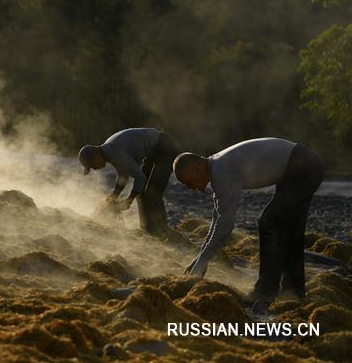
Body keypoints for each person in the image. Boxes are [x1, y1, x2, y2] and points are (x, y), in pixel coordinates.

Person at [174, 138, 324, 310]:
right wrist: (200, 259)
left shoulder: (222, 171)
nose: (190, 187)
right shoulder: (217, 166)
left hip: (303, 167)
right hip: (301, 165)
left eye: (187, 182)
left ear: (196, 169)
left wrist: (202, 262)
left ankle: (265, 292)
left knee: (269, 223)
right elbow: (218, 219)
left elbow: (224, 228)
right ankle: (294, 293)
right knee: (290, 230)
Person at [78, 128, 180, 235]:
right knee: (141, 193)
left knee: (152, 193)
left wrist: (129, 200)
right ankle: (148, 229)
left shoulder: (114, 152)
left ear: (96, 156)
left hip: (165, 148)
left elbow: (140, 177)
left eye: (92, 165)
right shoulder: (109, 150)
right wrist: (114, 196)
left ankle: (162, 231)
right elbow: (123, 175)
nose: (94, 168)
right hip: (153, 153)